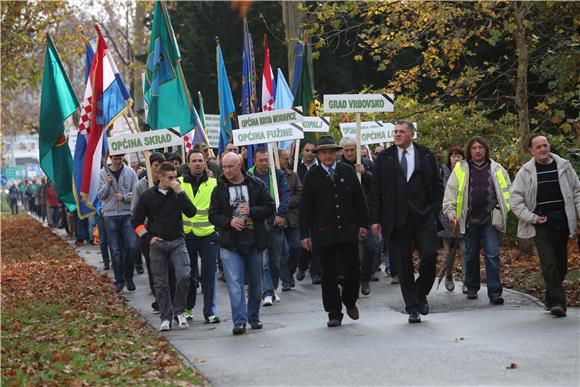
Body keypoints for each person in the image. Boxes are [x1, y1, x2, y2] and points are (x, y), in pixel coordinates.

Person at [370, 120, 443, 324]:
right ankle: (412, 306)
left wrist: (433, 209)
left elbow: (437, 185)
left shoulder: (426, 155)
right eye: (395, 131)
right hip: (396, 219)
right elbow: (376, 191)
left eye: (402, 131)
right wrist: (375, 219)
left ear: (412, 134)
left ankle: (420, 293)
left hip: (424, 217)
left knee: (429, 255)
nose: (397, 135)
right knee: (403, 265)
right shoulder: (385, 158)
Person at [300, 136, 369, 328]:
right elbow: (305, 207)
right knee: (328, 273)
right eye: (323, 152)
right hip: (324, 231)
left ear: (336, 153)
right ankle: (333, 312)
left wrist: (363, 224)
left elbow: (359, 200)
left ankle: (350, 300)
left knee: (353, 269)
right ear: (318, 155)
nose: (328, 155)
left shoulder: (347, 171)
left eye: (331, 152)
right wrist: (304, 234)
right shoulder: (312, 176)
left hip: (348, 229)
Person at [510, 135, 580, 317]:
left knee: (562, 266)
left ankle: (550, 297)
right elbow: (515, 201)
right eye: (538, 147)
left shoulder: (564, 167)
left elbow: (577, 193)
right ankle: (558, 303)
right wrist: (532, 217)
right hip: (541, 224)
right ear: (531, 151)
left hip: (562, 222)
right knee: (549, 263)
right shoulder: (525, 172)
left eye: (545, 145)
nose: (542, 149)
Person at [208, 152, 275, 335]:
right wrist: (229, 222)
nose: (227, 170)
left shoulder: (256, 184)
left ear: (240, 165)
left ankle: (253, 316)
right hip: (230, 243)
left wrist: (252, 211)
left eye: (231, 166)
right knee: (235, 284)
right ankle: (239, 321)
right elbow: (213, 215)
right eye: (224, 167)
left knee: (256, 284)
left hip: (254, 241)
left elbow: (270, 208)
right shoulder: (219, 188)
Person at [443, 136, 511, 305]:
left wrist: (502, 210)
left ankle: (495, 292)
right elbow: (450, 194)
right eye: (474, 148)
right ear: (469, 150)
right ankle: (472, 287)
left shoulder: (497, 169)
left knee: (493, 255)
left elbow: (508, 193)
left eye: (481, 147)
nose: (478, 150)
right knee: (470, 255)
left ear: (486, 149)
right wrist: (451, 213)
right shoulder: (461, 169)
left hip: (491, 219)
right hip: (469, 219)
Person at [132, 162, 195, 331]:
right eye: (170, 178)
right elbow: (136, 221)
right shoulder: (147, 196)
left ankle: (179, 312)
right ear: (160, 177)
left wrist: (181, 193)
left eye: (175, 177)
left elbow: (192, 212)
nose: (174, 181)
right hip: (158, 244)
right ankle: (165, 317)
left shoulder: (178, 193)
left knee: (184, 275)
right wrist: (147, 237)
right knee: (161, 283)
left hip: (177, 241)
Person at [179, 151, 221, 324]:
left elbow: (220, 207)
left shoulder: (214, 183)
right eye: (194, 161)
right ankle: (188, 308)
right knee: (189, 275)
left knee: (209, 274)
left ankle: (210, 311)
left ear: (205, 163)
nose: (197, 164)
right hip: (186, 236)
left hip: (208, 235)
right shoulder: (179, 183)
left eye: (200, 161)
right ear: (188, 164)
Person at [248, 148, 290, 305]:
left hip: (274, 222)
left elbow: (285, 194)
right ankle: (266, 292)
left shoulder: (277, 174)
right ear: (255, 161)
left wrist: (282, 214)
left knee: (275, 260)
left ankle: (272, 287)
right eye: (261, 160)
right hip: (257, 223)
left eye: (267, 160)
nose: (264, 163)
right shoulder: (249, 175)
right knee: (263, 260)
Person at [339, 137, 377, 296]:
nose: (349, 153)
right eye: (346, 150)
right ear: (342, 151)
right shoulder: (337, 167)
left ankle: (365, 278)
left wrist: (365, 173)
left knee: (370, 248)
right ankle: (349, 280)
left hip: (365, 214)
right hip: (346, 215)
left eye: (352, 149)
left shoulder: (367, 164)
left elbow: (377, 184)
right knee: (349, 251)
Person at [98, 154, 139, 293]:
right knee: (115, 251)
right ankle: (119, 281)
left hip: (127, 214)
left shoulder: (130, 172)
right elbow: (100, 195)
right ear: (111, 159)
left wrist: (125, 197)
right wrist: (108, 184)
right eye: (115, 159)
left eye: (120, 158)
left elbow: (136, 193)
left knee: (132, 245)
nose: (118, 161)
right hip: (110, 215)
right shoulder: (102, 173)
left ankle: (129, 276)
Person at [132, 152, 167, 311]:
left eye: (162, 165)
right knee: (154, 268)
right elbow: (134, 212)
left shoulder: (170, 184)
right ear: (149, 166)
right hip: (149, 234)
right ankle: (158, 297)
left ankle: (168, 297)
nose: (159, 169)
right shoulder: (140, 186)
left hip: (167, 233)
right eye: (155, 165)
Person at [438, 146, 466, 293]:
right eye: (454, 156)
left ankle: (467, 281)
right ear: (449, 158)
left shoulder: (467, 172)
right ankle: (448, 276)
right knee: (450, 252)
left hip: (464, 218)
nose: (456, 159)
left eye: (459, 156)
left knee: (466, 250)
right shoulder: (442, 173)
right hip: (446, 219)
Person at [296, 140, 322, 285]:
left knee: (317, 241)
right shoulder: (296, 167)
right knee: (303, 239)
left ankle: (315, 271)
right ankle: (302, 265)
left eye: (313, 151)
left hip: (317, 209)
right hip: (300, 209)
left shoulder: (319, 168)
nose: (310, 153)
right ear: (302, 151)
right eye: (307, 150)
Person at [278, 148, 302, 291]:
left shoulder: (293, 175)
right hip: (277, 219)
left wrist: (285, 203)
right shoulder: (272, 176)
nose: (288, 161)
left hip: (292, 218)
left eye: (289, 158)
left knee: (296, 247)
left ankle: (290, 272)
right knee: (281, 250)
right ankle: (286, 279)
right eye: (285, 158)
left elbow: (300, 194)